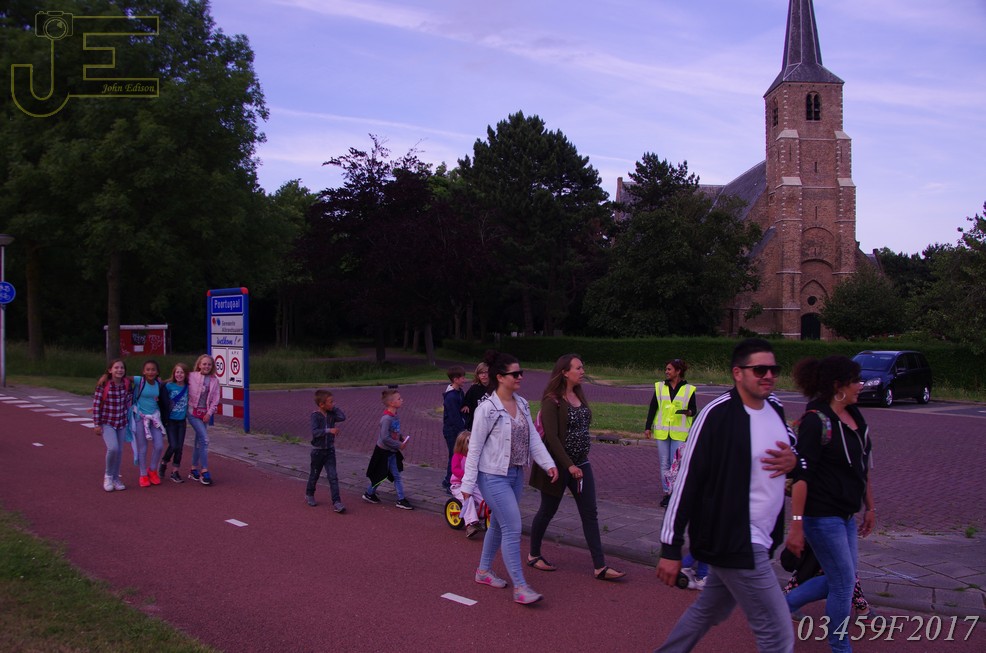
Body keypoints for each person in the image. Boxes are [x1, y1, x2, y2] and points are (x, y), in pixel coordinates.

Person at [654, 338, 798, 653]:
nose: (768, 376)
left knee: (708, 610)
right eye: (759, 370)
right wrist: (670, 547)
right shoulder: (716, 415)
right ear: (737, 373)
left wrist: (795, 460)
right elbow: (686, 482)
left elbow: (793, 446)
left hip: (763, 535)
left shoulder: (775, 407)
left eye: (773, 369)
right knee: (777, 634)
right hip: (735, 539)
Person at [785, 356, 875, 653]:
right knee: (843, 582)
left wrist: (870, 507)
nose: (861, 385)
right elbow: (801, 476)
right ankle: (840, 646)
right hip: (821, 516)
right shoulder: (816, 422)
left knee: (840, 579)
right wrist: (796, 526)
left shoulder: (855, 417)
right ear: (838, 386)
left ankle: (781, 606)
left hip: (847, 515)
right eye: (855, 381)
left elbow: (863, 467)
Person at [461, 351, 558, 606]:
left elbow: (533, 439)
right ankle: (521, 587)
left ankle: (483, 571)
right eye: (515, 373)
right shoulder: (487, 409)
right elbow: (474, 448)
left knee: (498, 524)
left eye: (520, 372)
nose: (520, 377)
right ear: (500, 377)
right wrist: (467, 485)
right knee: (512, 527)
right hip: (492, 477)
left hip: (515, 474)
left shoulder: (522, 403)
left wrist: (548, 464)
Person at [528, 353, 625, 581]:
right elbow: (552, 438)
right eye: (578, 368)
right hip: (558, 466)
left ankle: (600, 566)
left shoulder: (579, 394)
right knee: (547, 510)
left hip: (582, 464)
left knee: (590, 513)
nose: (582, 371)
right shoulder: (552, 400)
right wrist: (568, 466)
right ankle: (534, 554)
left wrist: (577, 462)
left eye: (582, 367)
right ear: (564, 372)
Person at [644, 358, 698, 508]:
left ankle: (676, 493)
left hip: (679, 433)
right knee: (664, 463)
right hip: (662, 431)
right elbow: (653, 407)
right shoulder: (660, 387)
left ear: (678, 371)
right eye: (666, 369)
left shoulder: (689, 389)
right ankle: (668, 493)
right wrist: (648, 427)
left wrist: (688, 412)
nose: (666, 372)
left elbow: (694, 409)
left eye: (669, 369)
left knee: (676, 465)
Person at [362, 388, 413, 510]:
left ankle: (399, 498)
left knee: (395, 475)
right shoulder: (386, 419)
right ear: (391, 403)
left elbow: (394, 431)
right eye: (399, 399)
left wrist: (401, 437)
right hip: (383, 452)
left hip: (392, 452)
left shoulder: (395, 416)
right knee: (381, 474)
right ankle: (370, 493)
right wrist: (398, 445)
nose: (402, 400)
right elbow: (385, 437)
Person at [92, 359, 132, 492]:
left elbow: (129, 400)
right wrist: (97, 424)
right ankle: (108, 476)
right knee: (113, 448)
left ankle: (116, 477)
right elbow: (96, 405)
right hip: (107, 422)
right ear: (110, 370)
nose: (119, 370)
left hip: (121, 422)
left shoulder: (126, 383)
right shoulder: (104, 384)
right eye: (116, 367)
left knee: (119, 451)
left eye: (122, 368)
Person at [306, 389, 348, 513]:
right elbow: (315, 432)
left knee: (333, 476)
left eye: (333, 401)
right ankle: (309, 494)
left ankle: (337, 502)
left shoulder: (331, 414)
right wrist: (329, 430)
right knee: (314, 475)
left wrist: (334, 408)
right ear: (321, 404)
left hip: (330, 451)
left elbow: (342, 417)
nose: (333, 403)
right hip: (318, 452)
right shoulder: (315, 416)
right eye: (330, 402)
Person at [131, 360, 170, 488]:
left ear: (157, 372)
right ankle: (143, 474)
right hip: (140, 418)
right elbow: (123, 377)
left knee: (159, 446)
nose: (150, 372)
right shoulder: (140, 381)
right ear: (143, 371)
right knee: (143, 448)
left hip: (154, 418)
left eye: (153, 369)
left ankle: (152, 470)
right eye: (148, 369)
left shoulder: (158, 383)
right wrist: (106, 377)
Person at [187, 354, 221, 486]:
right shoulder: (191, 376)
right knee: (205, 439)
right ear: (199, 365)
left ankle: (193, 468)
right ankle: (204, 470)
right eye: (204, 364)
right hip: (192, 413)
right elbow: (177, 380)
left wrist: (209, 413)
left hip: (205, 414)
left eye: (209, 364)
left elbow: (215, 400)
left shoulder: (214, 381)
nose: (206, 366)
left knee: (199, 441)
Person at [449, 430, 484, 539]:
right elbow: (455, 469)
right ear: (462, 444)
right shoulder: (458, 456)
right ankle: (470, 524)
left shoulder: (473, 456)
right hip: (459, 485)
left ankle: (485, 515)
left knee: (483, 497)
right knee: (468, 500)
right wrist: (466, 475)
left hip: (473, 483)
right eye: (469, 443)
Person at [160, 363, 190, 484]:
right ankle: (164, 462)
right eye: (177, 372)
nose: (179, 374)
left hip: (181, 421)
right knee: (173, 445)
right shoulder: (168, 386)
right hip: (171, 420)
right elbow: (161, 398)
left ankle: (175, 471)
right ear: (174, 373)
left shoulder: (188, 387)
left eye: (182, 372)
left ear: (186, 374)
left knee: (180, 447)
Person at [441, 366, 468, 493]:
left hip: (457, 429)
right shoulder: (451, 397)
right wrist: (463, 430)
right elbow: (454, 417)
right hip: (452, 431)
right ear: (455, 379)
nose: (464, 380)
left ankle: (449, 480)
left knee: (456, 455)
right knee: (454, 455)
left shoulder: (460, 392)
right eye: (462, 378)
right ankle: (449, 481)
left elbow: (461, 407)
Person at [462, 362, 490, 430]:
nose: (484, 375)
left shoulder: (496, 388)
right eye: (481, 373)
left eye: (486, 372)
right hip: (477, 425)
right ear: (477, 375)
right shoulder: (474, 389)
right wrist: (466, 405)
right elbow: (466, 401)